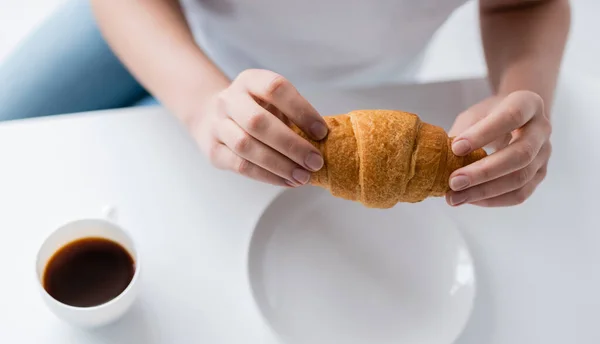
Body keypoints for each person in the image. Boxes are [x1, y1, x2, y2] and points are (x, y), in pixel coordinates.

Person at [0, 0, 570, 207]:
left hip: (364, 83)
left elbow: (522, 5)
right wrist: (201, 104)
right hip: (165, 27)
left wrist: (525, 92)